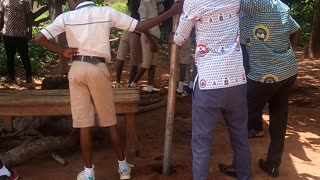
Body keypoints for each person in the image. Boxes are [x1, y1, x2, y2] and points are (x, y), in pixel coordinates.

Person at [34, 0, 182, 179]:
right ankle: (123, 168)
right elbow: (141, 26)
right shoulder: (106, 13)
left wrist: (62, 50)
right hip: (97, 68)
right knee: (110, 122)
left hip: (77, 69)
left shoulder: (66, 17)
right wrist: (170, 12)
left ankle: (88, 172)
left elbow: (39, 38)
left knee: (84, 125)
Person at [219, 0, 301, 178]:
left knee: (239, 118)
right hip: (287, 71)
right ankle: (273, 165)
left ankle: (238, 166)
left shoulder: (256, 3)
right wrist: (291, 53)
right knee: (279, 120)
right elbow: (296, 29)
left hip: (264, 76)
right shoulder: (279, 4)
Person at [171, 0, 251, 179]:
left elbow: (180, 38)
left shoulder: (193, 2)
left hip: (209, 83)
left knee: (202, 144)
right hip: (236, 80)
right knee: (240, 138)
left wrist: (173, 35)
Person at [129, 0, 164, 93]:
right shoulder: (144, 4)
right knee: (146, 64)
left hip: (155, 36)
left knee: (153, 64)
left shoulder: (154, 3)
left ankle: (150, 89)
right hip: (148, 36)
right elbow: (143, 26)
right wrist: (151, 41)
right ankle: (133, 84)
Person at [0, 0, 33, 83]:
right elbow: (1, 16)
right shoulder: (3, 1)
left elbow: (29, 16)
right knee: (10, 57)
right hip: (7, 33)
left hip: (21, 34)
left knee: (24, 56)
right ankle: (11, 77)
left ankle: (29, 76)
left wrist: (30, 31)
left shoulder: (25, 1)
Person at [115, 0, 141, 88]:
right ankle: (130, 84)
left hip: (126, 31)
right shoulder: (144, 4)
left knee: (120, 58)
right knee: (135, 61)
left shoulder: (133, 4)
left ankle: (117, 83)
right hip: (136, 33)